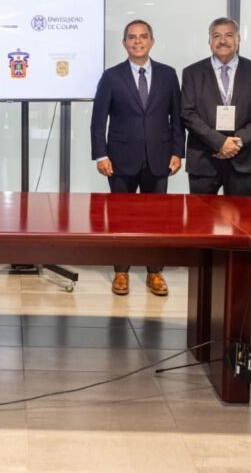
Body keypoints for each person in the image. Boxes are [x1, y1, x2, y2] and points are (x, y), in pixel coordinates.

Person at [91, 19, 184, 297]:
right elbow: (98, 120)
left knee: (156, 220)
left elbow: (177, 117)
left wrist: (177, 151)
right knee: (120, 219)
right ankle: (121, 271)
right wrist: (101, 154)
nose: (137, 41)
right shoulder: (111, 76)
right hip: (120, 159)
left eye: (143, 36)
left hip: (160, 157)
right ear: (124, 43)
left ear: (152, 41)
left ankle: (155, 272)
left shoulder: (168, 74)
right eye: (132, 37)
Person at [181, 17, 251, 196]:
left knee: (241, 214)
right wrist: (219, 142)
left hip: (243, 158)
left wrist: (237, 142)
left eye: (229, 35)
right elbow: (188, 113)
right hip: (204, 159)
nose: (222, 41)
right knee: (200, 214)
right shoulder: (192, 72)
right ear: (209, 41)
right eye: (216, 36)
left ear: (238, 39)